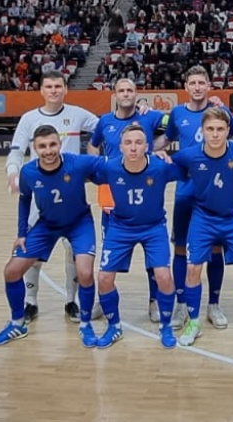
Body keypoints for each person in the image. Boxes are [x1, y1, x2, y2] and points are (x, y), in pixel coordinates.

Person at [0, 125, 101, 347]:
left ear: (60, 144)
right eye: (42, 146)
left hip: (79, 223)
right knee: (11, 271)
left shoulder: (77, 162)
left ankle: (86, 324)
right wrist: (22, 233)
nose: (48, 150)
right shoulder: (28, 172)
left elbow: (113, 163)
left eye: (52, 145)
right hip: (47, 225)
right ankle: (17, 323)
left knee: (85, 272)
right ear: (35, 147)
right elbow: (24, 200)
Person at [5, 70, 100, 323]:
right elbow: (16, 150)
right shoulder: (28, 118)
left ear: (65, 89)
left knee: (73, 252)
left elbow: (106, 127)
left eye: (58, 86)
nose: (54, 90)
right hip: (40, 195)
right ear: (41, 90)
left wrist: (139, 114)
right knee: (32, 255)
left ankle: (72, 301)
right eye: (49, 86)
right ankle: (30, 301)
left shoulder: (78, 114)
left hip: (71, 193)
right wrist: (13, 172)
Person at [171, 107, 233, 346]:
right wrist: (162, 156)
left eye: (220, 129)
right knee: (193, 269)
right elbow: (170, 164)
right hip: (203, 218)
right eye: (210, 129)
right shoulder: (189, 155)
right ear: (202, 131)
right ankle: (194, 321)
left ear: (228, 131)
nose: (215, 134)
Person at [90, 124, 183, 349]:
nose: (133, 147)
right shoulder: (109, 168)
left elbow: (192, 166)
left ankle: (166, 325)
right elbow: (76, 170)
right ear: (120, 147)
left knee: (163, 276)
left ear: (147, 146)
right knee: (103, 278)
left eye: (138, 143)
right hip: (120, 227)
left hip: (153, 228)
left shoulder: (161, 167)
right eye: (128, 143)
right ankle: (114, 326)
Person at [164, 66, 233, 331]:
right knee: (181, 248)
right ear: (186, 86)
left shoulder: (221, 112)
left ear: (209, 85)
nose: (197, 87)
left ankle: (214, 304)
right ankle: (181, 303)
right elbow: (166, 139)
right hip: (186, 189)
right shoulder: (177, 113)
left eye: (201, 82)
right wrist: (151, 153)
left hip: (215, 190)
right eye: (192, 82)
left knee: (216, 248)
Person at [88, 78, 167, 323]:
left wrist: (155, 148)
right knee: (109, 253)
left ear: (136, 94)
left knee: (154, 256)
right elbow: (92, 147)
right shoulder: (104, 121)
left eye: (130, 90)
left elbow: (176, 121)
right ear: (115, 94)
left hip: (146, 191)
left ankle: (155, 301)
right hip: (114, 194)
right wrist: (101, 168)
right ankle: (105, 300)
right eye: (121, 90)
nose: (125, 94)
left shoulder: (150, 117)